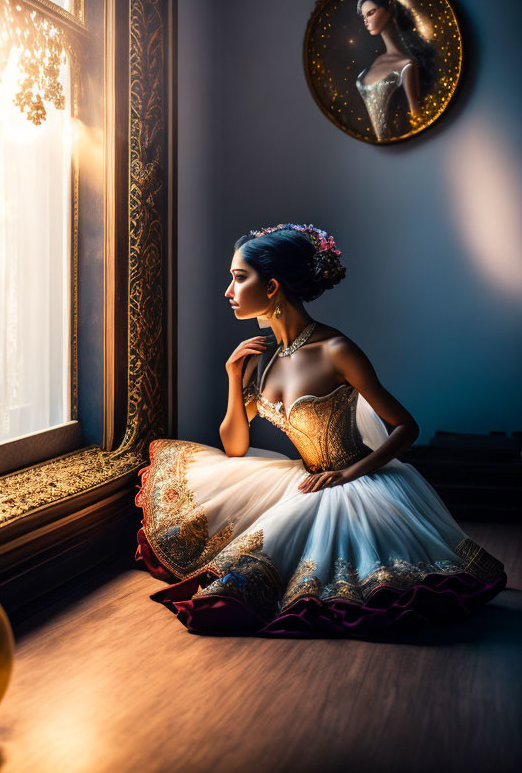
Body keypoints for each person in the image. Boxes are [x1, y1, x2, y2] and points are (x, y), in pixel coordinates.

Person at [135, 223, 506, 637]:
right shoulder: (263, 359)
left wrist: (348, 474)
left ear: (272, 285)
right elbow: (235, 446)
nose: (228, 290)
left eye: (239, 278)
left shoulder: (336, 350)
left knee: (324, 583)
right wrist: (232, 374)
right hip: (304, 477)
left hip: (356, 480)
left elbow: (406, 427)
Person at [355, 0, 435, 141]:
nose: (366, 21)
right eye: (364, 16)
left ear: (389, 10)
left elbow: (417, 117)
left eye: (371, 13)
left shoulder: (406, 65)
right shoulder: (377, 61)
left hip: (397, 143)